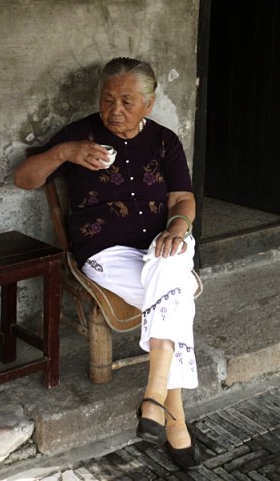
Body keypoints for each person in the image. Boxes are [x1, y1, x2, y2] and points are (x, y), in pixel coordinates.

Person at [14, 57, 201, 469]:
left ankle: (156, 399)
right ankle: (173, 418)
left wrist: (178, 225)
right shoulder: (81, 134)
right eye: (108, 99)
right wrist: (65, 152)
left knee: (170, 266)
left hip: (158, 244)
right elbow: (25, 179)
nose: (115, 110)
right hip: (104, 251)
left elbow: (181, 199)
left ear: (148, 105)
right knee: (178, 294)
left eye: (127, 101)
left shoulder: (165, 141)